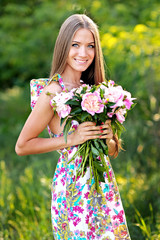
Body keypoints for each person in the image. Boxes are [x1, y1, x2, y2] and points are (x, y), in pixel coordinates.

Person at [15, 14, 131, 240]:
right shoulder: (53, 91)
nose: (83, 53)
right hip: (72, 187)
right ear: (63, 47)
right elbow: (22, 146)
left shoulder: (97, 90)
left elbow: (113, 151)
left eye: (90, 46)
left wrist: (109, 139)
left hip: (103, 184)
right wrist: (71, 139)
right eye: (75, 45)